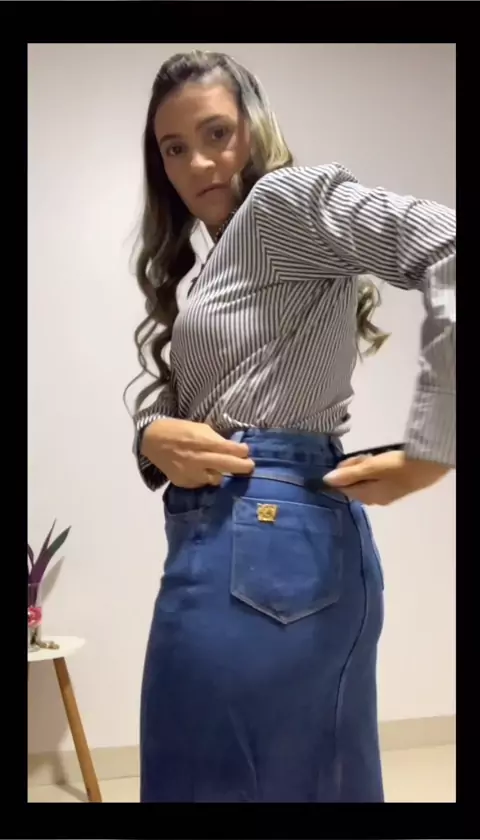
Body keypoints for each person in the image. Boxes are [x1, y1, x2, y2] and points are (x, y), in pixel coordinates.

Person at [129, 50, 455, 803]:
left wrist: (434, 447)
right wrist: (149, 433)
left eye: (217, 133)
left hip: (265, 531)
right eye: (174, 148)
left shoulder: (282, 203)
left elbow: (448, 243)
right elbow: (202, 391)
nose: (198, 163)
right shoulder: (218, 259)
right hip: (234, 531)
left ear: (254, 127)